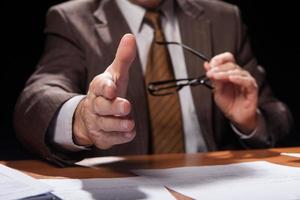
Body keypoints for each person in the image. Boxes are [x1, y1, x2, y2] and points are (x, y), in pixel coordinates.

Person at [14, 0, 293, 166]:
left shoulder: (224, 18)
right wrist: (81, 119)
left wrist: (249, 121)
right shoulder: (72, 19)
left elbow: (277, 116)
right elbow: (36, 99)